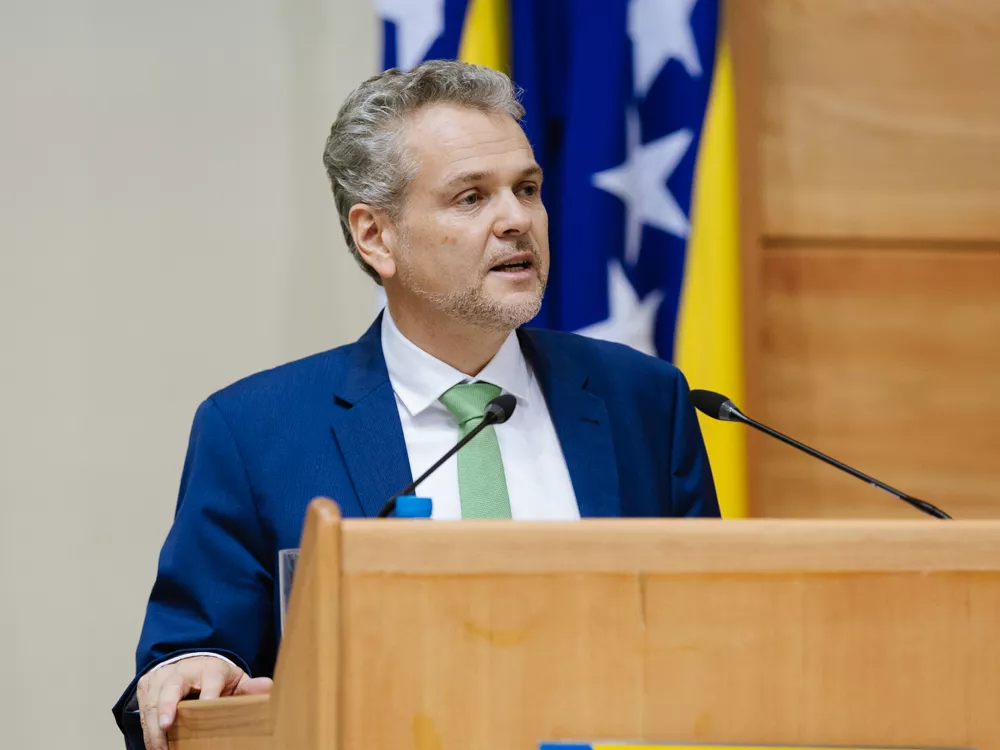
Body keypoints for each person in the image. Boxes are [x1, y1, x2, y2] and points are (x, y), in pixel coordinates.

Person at [112, 59, 720, 750]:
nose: (517, 220)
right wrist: (197, 668)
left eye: (527, 189)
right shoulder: (256, 431)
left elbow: (711, 640)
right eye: (471, 197)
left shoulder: (643, 399)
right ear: (376, 236)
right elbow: (187, 663)